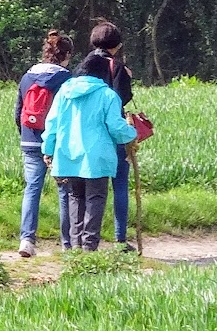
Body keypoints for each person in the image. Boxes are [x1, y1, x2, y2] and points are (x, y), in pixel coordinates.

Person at [41, 52, 138, 251]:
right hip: (97, 159)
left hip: (67, 156)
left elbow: (51, 124)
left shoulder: (64, 92)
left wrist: (48, 149)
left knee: (75, 198)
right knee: (96, 199)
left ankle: (76, 247)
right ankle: (89, 247)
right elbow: (116, 127)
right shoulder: (108, 95)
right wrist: (132, 132)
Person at [15, 30, 74, 256]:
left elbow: (18, 111)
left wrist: (26, 135)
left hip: (30, 141)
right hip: (58, 143)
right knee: (64, 189)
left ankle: (26, 241)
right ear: (66, 54)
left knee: (32, 189)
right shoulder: (66, 79)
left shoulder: (27, 77)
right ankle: (67, 243)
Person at [81, 20, 136, 250]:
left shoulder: (85, 65)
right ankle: (120, 238)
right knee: (120, 183)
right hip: (114, 130)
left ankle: (80, 239)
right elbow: (123, 97)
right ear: (117, 45)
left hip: (88, 133)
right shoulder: (118, 67)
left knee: (84, 190)